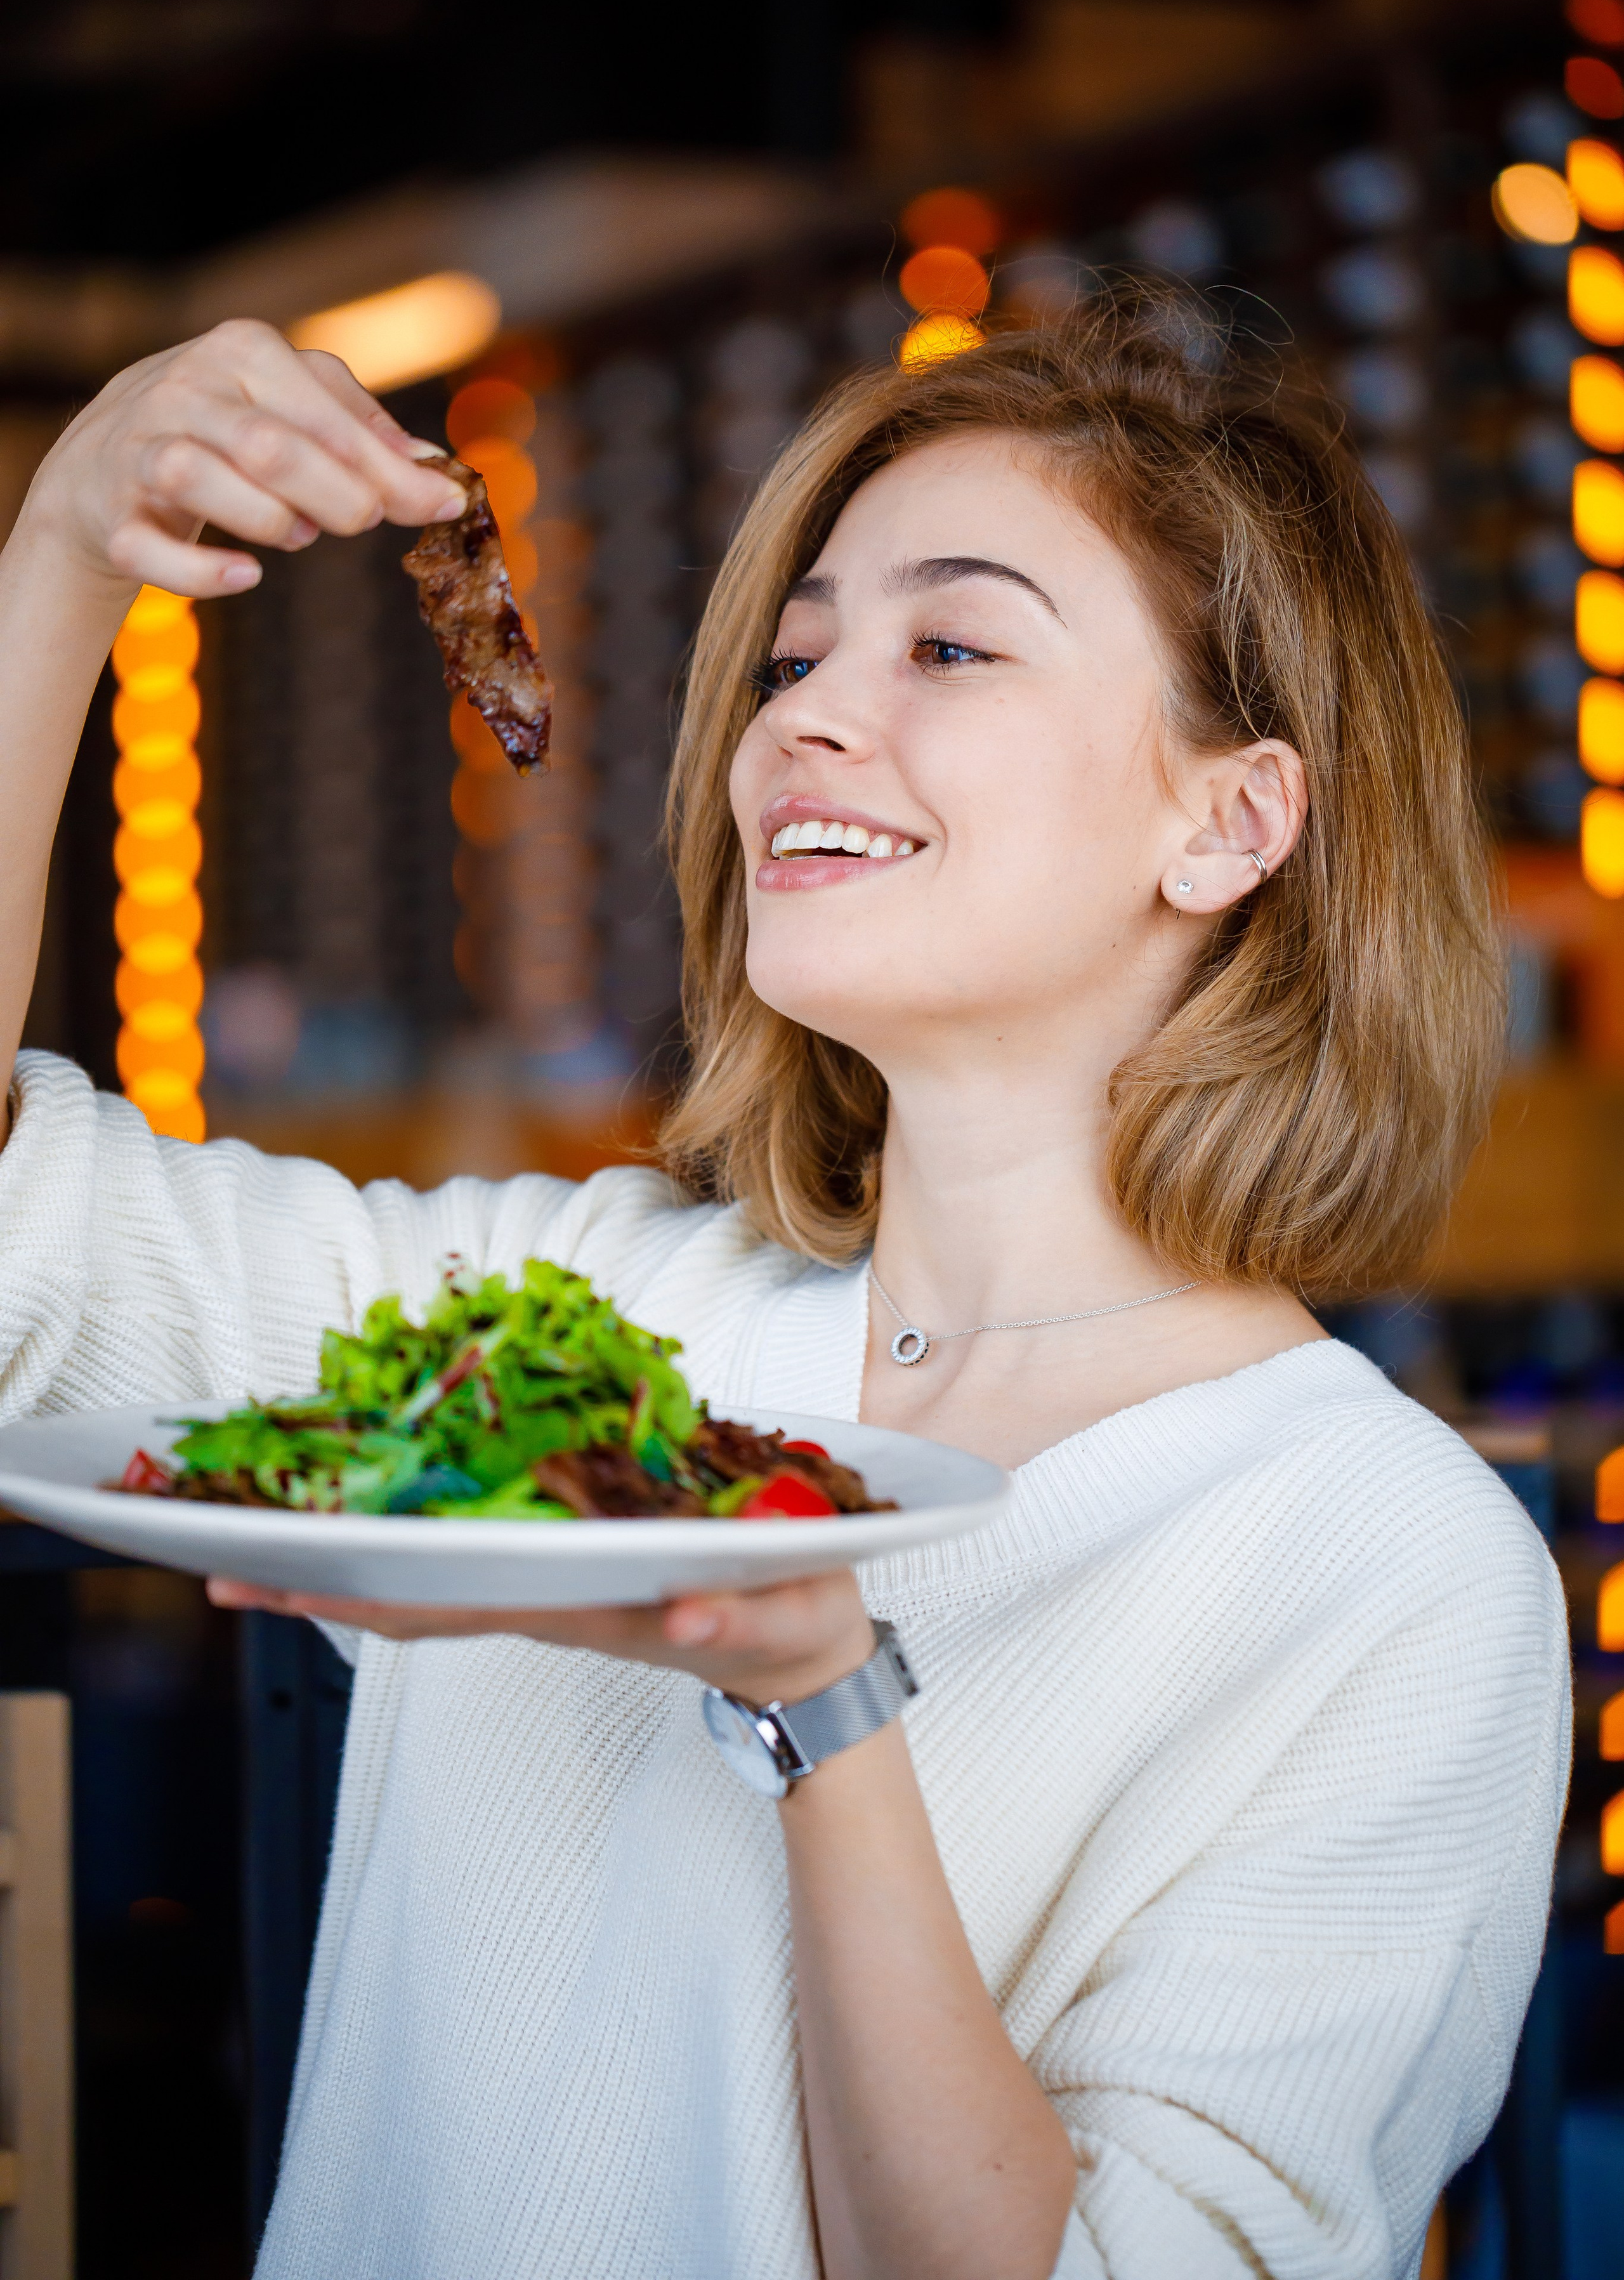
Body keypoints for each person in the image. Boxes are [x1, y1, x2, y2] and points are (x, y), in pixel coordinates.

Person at [0, 290, 1569, 2280]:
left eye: (951, 644)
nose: (802, 713)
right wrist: (62, 549)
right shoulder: (552, 1334)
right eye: (801, 649)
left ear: (1229, 821)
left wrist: (822, 1695)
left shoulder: (1389, 1569)